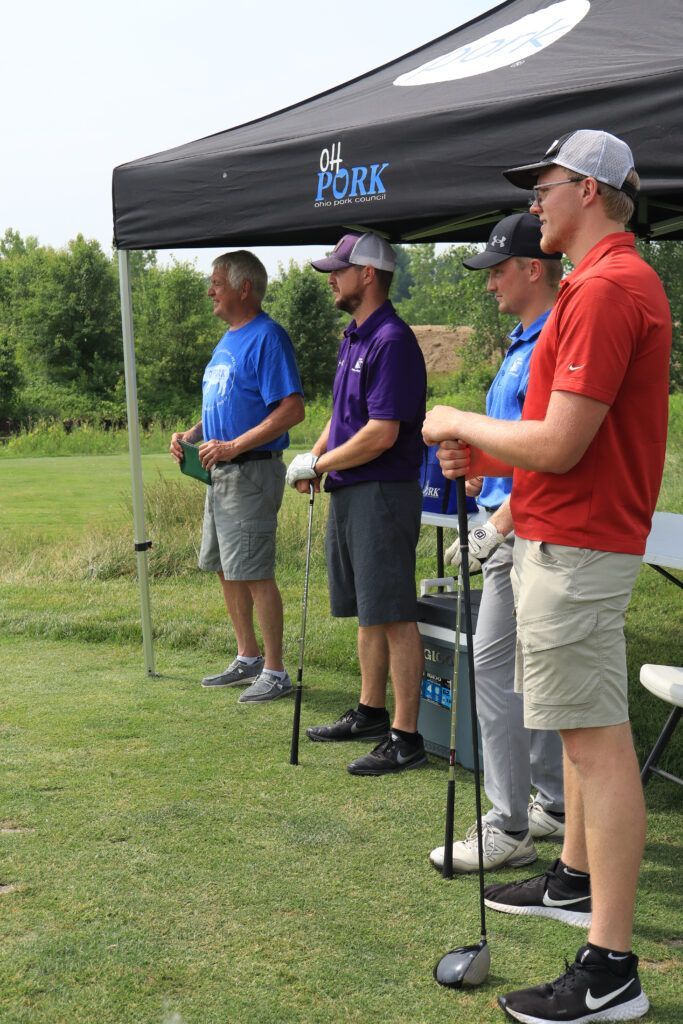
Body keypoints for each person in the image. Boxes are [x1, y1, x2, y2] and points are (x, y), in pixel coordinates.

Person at [423, 130, 671, 1023]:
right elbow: (560, 442)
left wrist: (461, 421)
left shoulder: (605, 288)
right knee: (574, 736)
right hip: (557, 537)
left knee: (597, 747)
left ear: (590, 191)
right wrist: (491, 461)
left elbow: (562, 444)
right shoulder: (597, 284)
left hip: (578, 547)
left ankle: (609, 971)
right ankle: (571, 878)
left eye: (545, 185)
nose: (534, 202)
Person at [428, 213, 566, 875]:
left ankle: (509, 823)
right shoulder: (522, 342)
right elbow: (518, 446)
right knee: (525, 673)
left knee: (493, 667)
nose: (489, 285)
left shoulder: (549, 343)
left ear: (532, 269)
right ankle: (554, 804)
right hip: (512, 523)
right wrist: (481, 467)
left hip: (525, 532)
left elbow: (551, 454)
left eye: (497, 271)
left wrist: (494, 527)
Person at [286, 231, 428, 776]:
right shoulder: (355, 336)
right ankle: (371, 712)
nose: (331, 279)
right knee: (370, 611)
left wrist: (321, 465)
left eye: (338, 270)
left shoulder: (392, 340)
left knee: (393, 612)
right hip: (352, 488)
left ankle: (406, 736)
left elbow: (382, 433)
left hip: (382, 491)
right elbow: (344, 416)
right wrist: (315, 454)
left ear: (367, 274)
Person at [170, 250, 304, 703]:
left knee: (254, 571)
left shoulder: (268, 337)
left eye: (216, 282)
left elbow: (292, 409)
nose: (210, 290)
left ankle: (276, 670)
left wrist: (233, 447)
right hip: (221, 474)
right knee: (227, 568)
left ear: (244, 288)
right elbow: (228, 402)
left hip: (250, 471)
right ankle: (248, 656)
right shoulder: (228, 340)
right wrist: (191, 435)